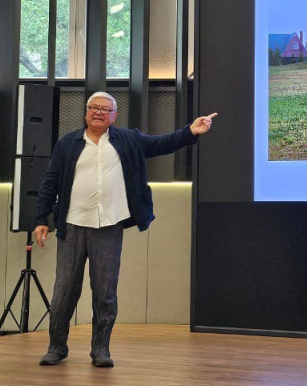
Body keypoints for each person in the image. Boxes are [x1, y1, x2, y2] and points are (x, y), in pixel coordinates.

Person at [33, 92, 216, 367]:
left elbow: (161, 144)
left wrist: (190, 131)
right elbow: (50, 182)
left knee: (105, 291)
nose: (98, 112)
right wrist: (40, 219)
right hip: (72, 225)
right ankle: (56, 347)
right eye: (93, 107)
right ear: (86, 112)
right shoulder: (67, 144)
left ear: (114, 116)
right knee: (64, 290)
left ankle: (101, 350)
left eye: (105, 109)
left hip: (109, 225)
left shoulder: (128, 140)